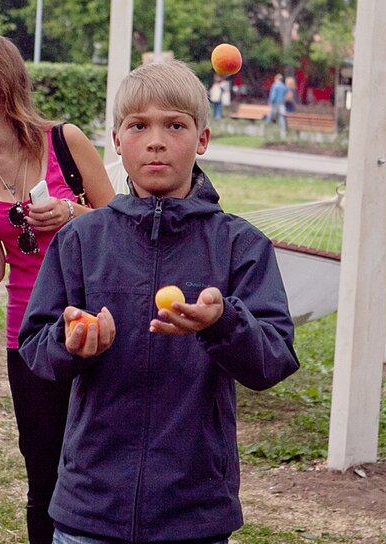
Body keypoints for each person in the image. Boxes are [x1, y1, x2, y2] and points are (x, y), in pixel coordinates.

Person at [19, 60, 300, 543]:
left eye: (174, 125)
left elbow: (273, 360)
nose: (155, 141)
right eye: (138, 126)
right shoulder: (82, 239)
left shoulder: (240, 245)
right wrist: (73, 344)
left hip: (193, 509)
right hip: (91, 507)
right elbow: (34, 350)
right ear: (116, 141)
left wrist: (222, 322)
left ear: (203, 139)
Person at [0, 32, 115, 543]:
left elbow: (120, 225)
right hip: (27, 335)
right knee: (43, 475)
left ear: (2, 81)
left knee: (103, 463)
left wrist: (71, 213)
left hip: (94, 325)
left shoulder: (64, 142)